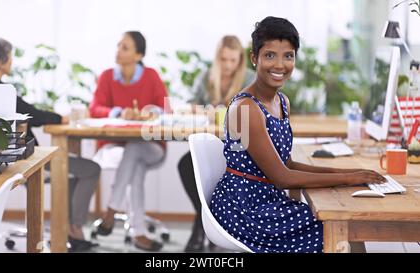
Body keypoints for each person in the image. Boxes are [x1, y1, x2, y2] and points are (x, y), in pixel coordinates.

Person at [209, 16, 386, 253]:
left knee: (346, 227)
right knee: (342, 230)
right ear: (254, 58)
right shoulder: (246, 108)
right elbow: (283, 177)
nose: (280, 65)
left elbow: (287, 163)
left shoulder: (282, 101)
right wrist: (347, 178)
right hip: (245, 210)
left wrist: (349, 174)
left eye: (288, 56)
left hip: (267, 202)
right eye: (270, 55)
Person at [0, 38, 101, 252]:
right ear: (1, 63)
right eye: (10, 57)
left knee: (71, 174)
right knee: (91, 169)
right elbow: (32, 115)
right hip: (24, 162)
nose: (12, 61)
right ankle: (73, 228)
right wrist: (60, 118)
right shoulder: (3, 91)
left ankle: (69, 229)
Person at [89, 31, 168, 252]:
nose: (118, 50)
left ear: (138, 54)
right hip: (112, 148)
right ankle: (138, 232)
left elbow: (166, 108)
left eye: (125, 47)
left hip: (152, 147)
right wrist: (118, 112)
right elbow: (94, 109)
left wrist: (150, 113)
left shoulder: (150, 76)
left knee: (134, 148)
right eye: (118, 45)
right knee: (135, 164)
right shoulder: (106, 77)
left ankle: (111, 212)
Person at [178, 35, 254, 252]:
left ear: (240, 60)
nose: (228, 65)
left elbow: (254, 111)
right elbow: (189, 105)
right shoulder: (206, 77)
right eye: (224, 60)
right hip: (209, 141)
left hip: (238, 147)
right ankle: (205, 220)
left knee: (204, 167)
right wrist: (206, 111)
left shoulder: (249, 78)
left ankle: (200, 226)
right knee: (185, 165)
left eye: (233, 60)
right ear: (217, 58)